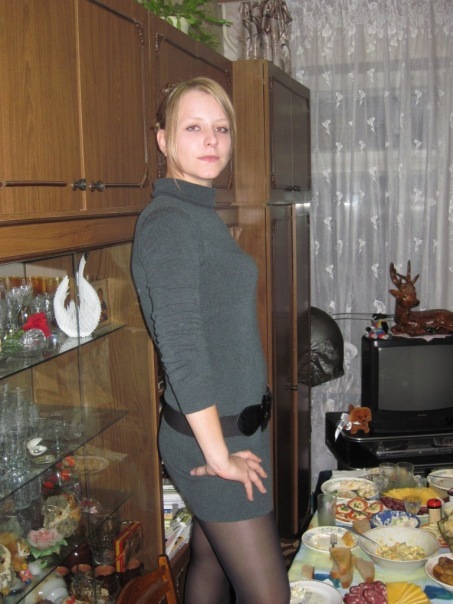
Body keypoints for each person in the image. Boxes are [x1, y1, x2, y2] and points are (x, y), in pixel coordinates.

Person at [131, 77, 290, 604]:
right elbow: (181, 349)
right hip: (213, 438)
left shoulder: (197, 211)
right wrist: (220, 457)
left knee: (212, 563)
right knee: (269, 596)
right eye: (194, 127)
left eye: (221, 129)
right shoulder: (170, 222)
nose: (211, 140)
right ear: (163, 140)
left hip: (229, 430)